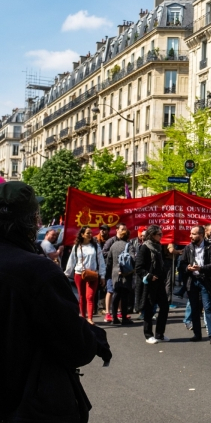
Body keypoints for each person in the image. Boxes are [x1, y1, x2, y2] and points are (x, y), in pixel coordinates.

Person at [0, 181, 112, 422]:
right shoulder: (37, 271)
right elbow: (75, 346)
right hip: (26, 404)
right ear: (32, 221)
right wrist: (93, 336)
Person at [180, 226, 211, 344]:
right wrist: (187, 268)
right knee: (194, 308)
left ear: (201, 235)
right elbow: (181, 264)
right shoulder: (188, 248)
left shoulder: (210, 247)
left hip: (205, 281)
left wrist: (201, 268)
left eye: (193, 234)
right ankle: (197, 334)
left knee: (207, 308)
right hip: (192, 281)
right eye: (191, 234)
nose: (190, 236)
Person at [135, 225, 171, 344]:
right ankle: (148, 334)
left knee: (164, 307)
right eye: (159, 234)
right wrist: (149, 276)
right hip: (149, 283)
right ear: (152, 235)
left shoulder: (158, 247)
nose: (161, 236)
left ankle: (160, 334)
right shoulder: (145, 248)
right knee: (149, 309)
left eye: (161, 234)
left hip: (160, 282)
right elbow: (139, 268)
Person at [65, 226, 106, 324]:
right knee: (82, 296)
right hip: (79, 274)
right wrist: (66, 274)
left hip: (93, 275)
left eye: (91, 233)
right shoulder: (77, 247)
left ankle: (90, 318)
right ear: (82, 234)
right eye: (88, 233)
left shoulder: (95, 246)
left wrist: (102, 276)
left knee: (90, 296)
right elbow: (72, 261)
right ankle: (83, 317)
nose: (90, 235)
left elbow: (101, 261)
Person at [106, 224, 133, 325]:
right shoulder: (129, 245)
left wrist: (108, 273)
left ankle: (114, 318)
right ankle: (124, 318)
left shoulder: (113, 245)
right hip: (126, 273)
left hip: (115, 274)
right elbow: (133, 259)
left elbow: (109, 261)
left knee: (116, 295)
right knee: (124, 296)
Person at [102, 223, 127, 323]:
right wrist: (114, 253)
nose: (124, 231)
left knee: (119, 290)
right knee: (110, 291)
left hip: (122, 270)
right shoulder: (111, 241)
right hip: (111, 270)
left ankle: (119, 311)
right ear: (117, 230)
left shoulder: (125, 241)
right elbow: (104, 252)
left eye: (125, 229)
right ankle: (108, 313)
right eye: (122, 229)